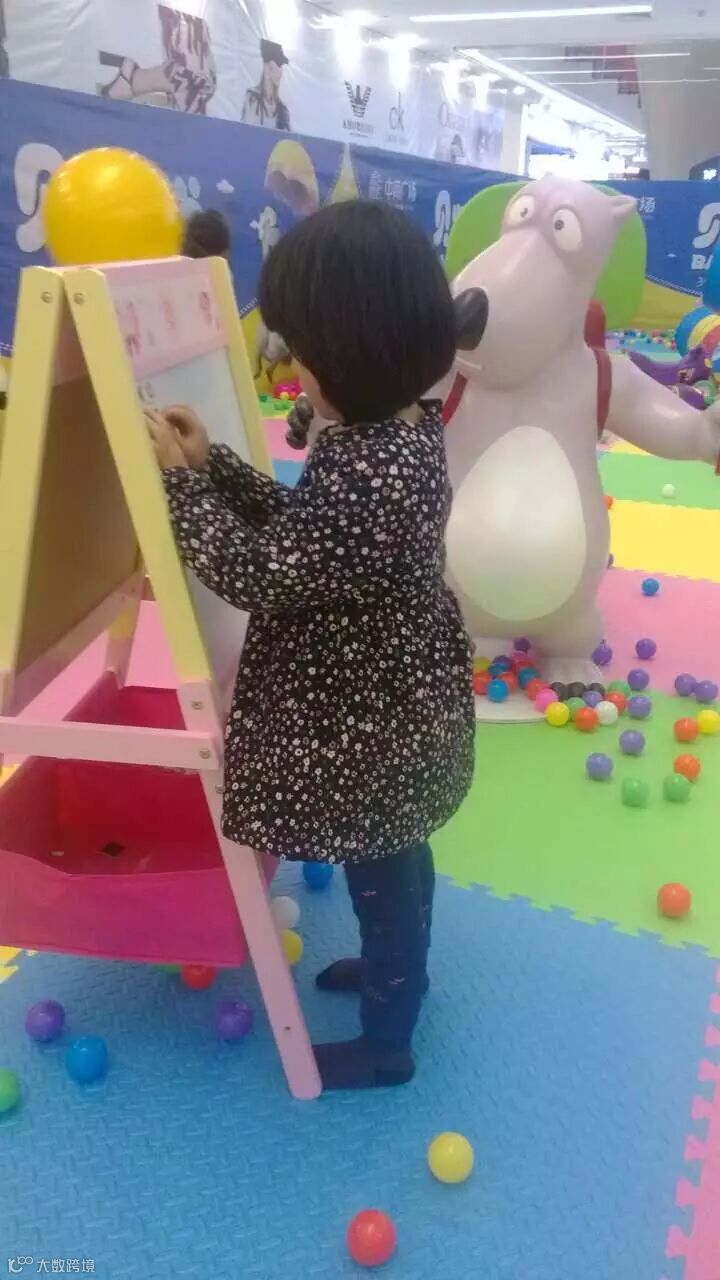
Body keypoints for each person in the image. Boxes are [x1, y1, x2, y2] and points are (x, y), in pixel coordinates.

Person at [145, 201, 475, 1091]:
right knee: (397, 855)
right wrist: (215, 466)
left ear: (347, 355)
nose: (291, 366)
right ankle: (397, 971)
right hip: (395, 701)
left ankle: (387, 1040)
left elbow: (265, 574)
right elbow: (308, 536)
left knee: (383, 867)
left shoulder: (370, 467)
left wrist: (181, 494)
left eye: (301, 351)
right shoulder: (398, 430)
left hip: (372, 721)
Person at [242, 38, 291, 131]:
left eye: (281, 66)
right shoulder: (252, 98)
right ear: (267, 67)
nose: (280, 72)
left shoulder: (282, 109)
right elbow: (246, 131)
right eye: (278, 65)